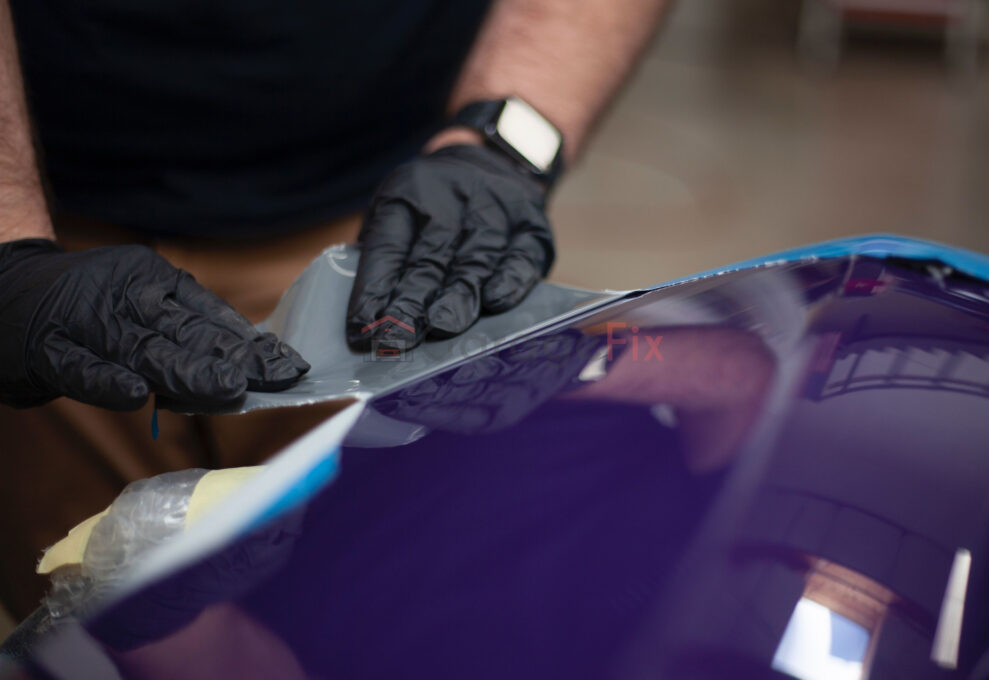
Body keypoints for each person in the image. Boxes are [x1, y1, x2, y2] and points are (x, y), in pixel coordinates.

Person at [0, 0, 670, 619]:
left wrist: (502, 142)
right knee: (98, 613)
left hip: (393, 222)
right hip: (50, 239)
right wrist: (10, 251)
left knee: (420, 600)